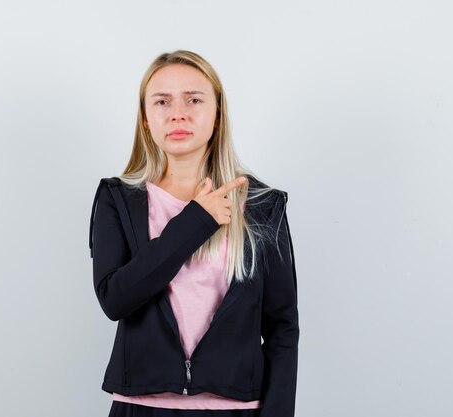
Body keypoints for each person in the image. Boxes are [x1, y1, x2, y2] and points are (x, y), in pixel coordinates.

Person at [88, 50, 299, 417]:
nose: (178, 113)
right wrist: (195, 221)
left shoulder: (264, 205)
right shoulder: (117, 199)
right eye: (162, 101)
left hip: (237, 410)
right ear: (146, 119)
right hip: (140, 408)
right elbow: (115, 300)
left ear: (217, 115)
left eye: (194, 99)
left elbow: (282, 329)